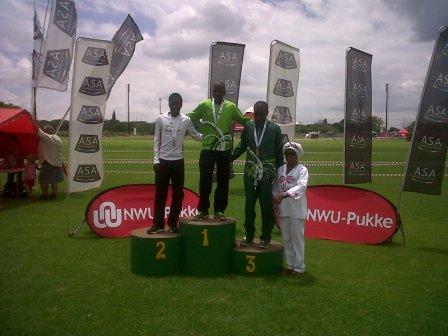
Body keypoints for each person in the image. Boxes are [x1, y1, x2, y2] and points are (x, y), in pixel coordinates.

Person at [188, 82, 250, 220]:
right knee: (205, 181)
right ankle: (203, 210)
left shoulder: (231, 107)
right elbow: (190, 117)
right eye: (215, 91)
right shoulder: (204, 105)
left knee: (223, 181)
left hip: (224, 149)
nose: (217, 93)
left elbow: (243, 120)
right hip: (207, 148)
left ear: (224, 92)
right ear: (212, 91)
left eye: (220, 91)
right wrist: (172, 117)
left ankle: (219, 211)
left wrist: (257, 120)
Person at [148, 93, 202, 234]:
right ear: (169, 104)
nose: (175, 106)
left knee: (178, 194)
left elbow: (196, 135)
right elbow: (156, 140)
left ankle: (173, 223)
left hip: (178, 162)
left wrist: (210, 135)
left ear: (181, 105)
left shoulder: (186, 120)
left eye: (178, 104)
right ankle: (158, 224)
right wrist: (156, 159)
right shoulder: (161, 118)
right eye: (173, 104)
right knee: (160, 194)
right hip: (163, 162)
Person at [232, 101, 284, 248]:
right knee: (249, 206)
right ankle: (249, 235)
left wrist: (280, 175)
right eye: (256, 115)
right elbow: (243, 145)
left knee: (266, 207)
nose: (258, 118)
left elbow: (279, 154)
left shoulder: (275, 129)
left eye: (261, 115)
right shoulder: (248, 126)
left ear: (267, 113)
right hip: (250, 173)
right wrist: (230, 157)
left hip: (268, 175)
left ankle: (265, 237)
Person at [273, 142, 309, 275]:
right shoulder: (281, 169)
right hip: (284, 208)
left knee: (297, 238)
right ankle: (289, 265)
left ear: (298, 155)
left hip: (297, 209)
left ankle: (299, 267)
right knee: (286, 237)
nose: (289, 156)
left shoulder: (302, 170)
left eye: (292, 154)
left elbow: (301, 187)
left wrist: (283, 195)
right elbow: (276, 186)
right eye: (287, 153)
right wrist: (275, 198)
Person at [36, 124, 64, 200]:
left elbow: (38, 130)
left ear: (47, 131)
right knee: (55, 180)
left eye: (45, 130)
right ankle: (54, 195)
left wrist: (33, 120)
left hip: (49, 163)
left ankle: (45, 195)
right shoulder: (58, 138)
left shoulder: (48, 138)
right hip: (57, 163)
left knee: (42, 180)